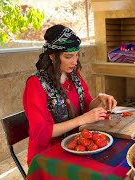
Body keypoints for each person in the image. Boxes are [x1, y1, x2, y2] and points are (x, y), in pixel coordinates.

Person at [23, 25, 117, 166]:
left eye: (76, 55)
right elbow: (41, 133)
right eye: (68, 57)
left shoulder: (73, 75)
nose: (74, 61)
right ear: (52, 56)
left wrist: (99, 99)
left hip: (76, 143)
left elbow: (86, 105)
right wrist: (82, 119)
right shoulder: (36, 84)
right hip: (48, 155)